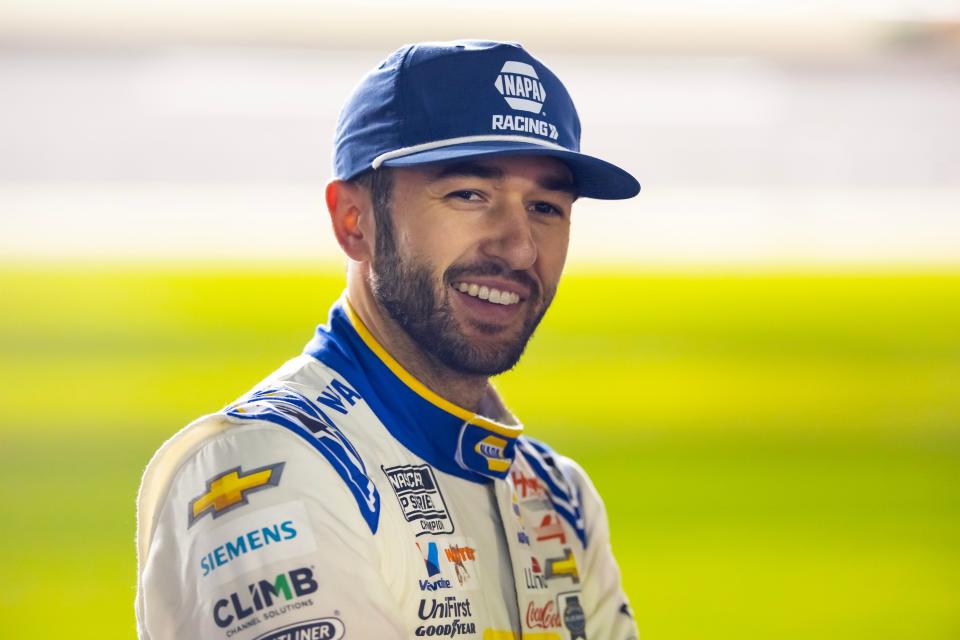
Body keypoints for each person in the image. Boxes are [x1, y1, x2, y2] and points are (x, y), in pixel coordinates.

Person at [135, 39, 640, 640]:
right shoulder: (266, 470)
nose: (520, 247)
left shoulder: (557, 497)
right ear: (354, 221)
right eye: (469, 195)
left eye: (546, 207)